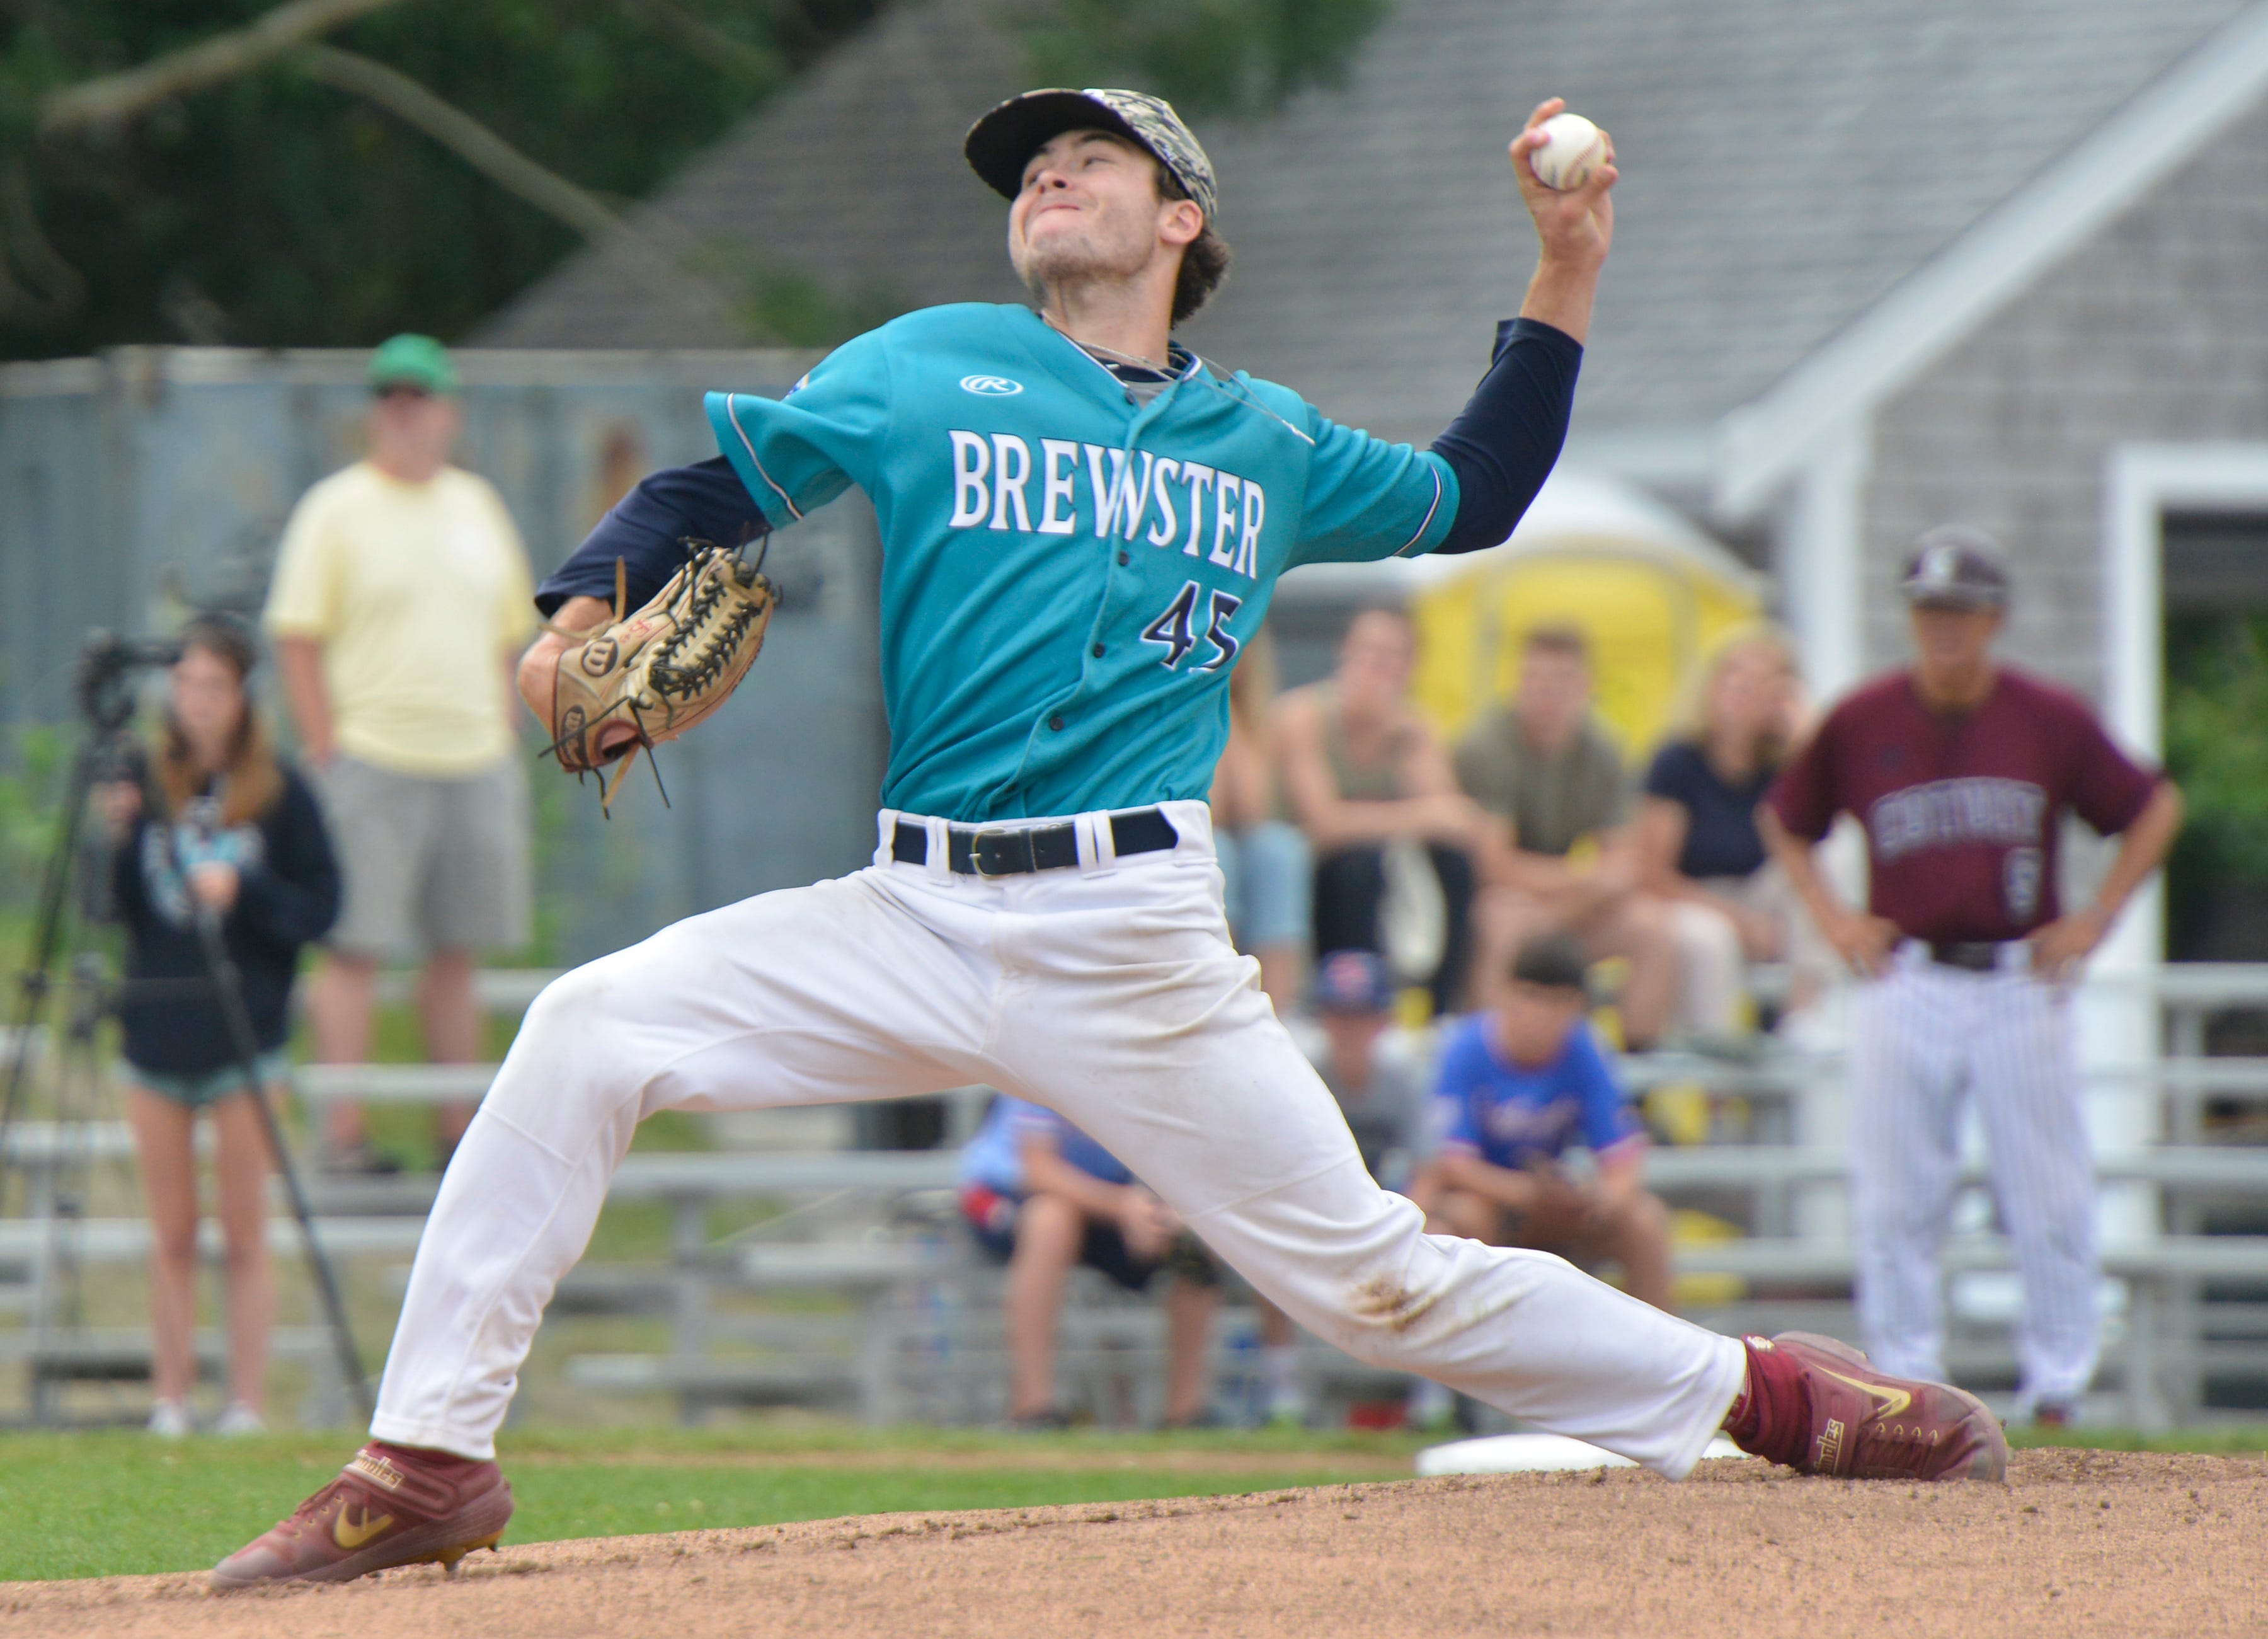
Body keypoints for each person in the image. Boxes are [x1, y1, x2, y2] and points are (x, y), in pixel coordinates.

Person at [219, 88, 2005, 1590]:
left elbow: (1477, 495)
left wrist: (1565, 268)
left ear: (1180, 218)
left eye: (1088, 158)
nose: (1045, 180)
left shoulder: (1269, 441)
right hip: (909, 904)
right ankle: (431, 1461)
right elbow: (711, 491)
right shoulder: (930, 368)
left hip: (1134, 935)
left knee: (1374, 1281)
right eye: (1029, 171)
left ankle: (1767, 1395)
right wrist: (569, 614)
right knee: (586, 1029)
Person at [1760, 527, 2184, 1426]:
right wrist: (1832, 917)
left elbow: (2153, 806)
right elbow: (1788, 818)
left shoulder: (2045, 716)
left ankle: (2058, 1386)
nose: (1944, 626)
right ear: (1911, 617)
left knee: (2048, 1189)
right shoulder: (1863, 718)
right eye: (1929, 609)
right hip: (1906, 973)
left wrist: (2099, 916)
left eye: (1960, 609)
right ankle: (1907, 1387)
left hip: (2016, 974)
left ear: (1994, 618)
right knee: (1897, 1195)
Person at [263, 334, 538, 1173]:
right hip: (374, 754)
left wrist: (506, 727)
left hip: (474, 756)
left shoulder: (476, 505)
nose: (404, 412)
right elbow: (298, 635)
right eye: (390, 397)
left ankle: (459, 1131)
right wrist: (326, 748)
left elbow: (510, 633)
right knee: (354, 944)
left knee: (459, 948)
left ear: (448, 411)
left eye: (418, 397)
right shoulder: (336, 508)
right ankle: (342, 1134)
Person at [105, 616, 341, 1437]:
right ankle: (169, 1399)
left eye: (214, 685)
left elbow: (321, 907)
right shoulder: (142, 776)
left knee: (245, 1228)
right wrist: (116, 835)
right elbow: (116, 910)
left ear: (243, 695)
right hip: (156, 1037)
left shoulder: (279, 790)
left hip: (247, 1036)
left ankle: (245, 1403)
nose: (197, 702)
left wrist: (245, 895)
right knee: (171, 1231)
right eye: (186, 685)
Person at [1410, 933, 1671, 1312]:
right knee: (1463, 1219)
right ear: (1507, 994)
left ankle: (1657, 1360)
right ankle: (1470, 1362)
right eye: (1530, 996)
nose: (1541, 1015)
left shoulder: (1584, 1049)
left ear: (1577, 1007)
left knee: (1644, 1221)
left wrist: (1598, 1201)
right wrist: (1527, 1193)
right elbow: (1450, 1164)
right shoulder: (1466, 1048)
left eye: (1558, 1003)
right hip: (1489, 1198)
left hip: (1551, 1195)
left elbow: (1622, 1157)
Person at [1457, 624, 1682, 1047]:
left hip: (1561, 904)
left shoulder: (1605, 750)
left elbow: (1623, 867)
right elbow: (1495, 867)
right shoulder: (1487, 745)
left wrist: (1564, 899)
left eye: (1560, 681)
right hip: (1506, 902)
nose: (1546, 694)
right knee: (1500, 925)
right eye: (1535, 679)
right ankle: (1493, 1068)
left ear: (1586, 688)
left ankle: (1637, 1085)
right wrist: (1583, 881)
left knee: (1652, 928)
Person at [960, 1096, 1222, 1428]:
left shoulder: (1156, 1071)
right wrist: (1122, 1207)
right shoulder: (1048, 1056)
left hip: (1108, 1202)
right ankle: (1035, 1410)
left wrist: (1161, 1212)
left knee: (1192, 1238)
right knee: (1050, 1219)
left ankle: (1186, 1415)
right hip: (1006, 1196)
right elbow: (1038, 1169)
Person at [1278, 606, 1487, 1015]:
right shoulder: (1302, 716)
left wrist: (1405, 747)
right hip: (1314, 875)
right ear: (1345, 652)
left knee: (1453, 866)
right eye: (1368, 651)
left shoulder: (1413, 727)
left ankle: (1437, 1011)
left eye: (1392, 656)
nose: (1376, 667)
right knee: (1361, 866)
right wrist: (1417, 816)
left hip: (1387, 875)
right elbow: (1323, 824)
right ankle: (1352, 1007)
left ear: (1412, 666)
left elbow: (1456, 822)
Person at [1631, 624, 1819, 1042]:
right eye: (1736, 677)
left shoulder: (1783, 767)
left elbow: (1810, 841)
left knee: (1826, 867)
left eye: (1763, 682)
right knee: (1709, 940)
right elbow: (1652, 874)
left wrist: (1801, 738)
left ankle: (1803, 1020)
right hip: (1692, 899)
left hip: (1760, 894)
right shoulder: (1678, 762)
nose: (1745, 692)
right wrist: (1739, 920)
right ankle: (1717, 1072)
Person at [1208, 628, 1310, 1013]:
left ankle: (1278, 1014)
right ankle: (1218, 997)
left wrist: (1229, 712)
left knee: (1279, 849)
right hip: (1182, 844)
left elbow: (1255, 808)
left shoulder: (1259, 720)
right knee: (1220, 851)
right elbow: (1208, 808)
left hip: (1243, 848)